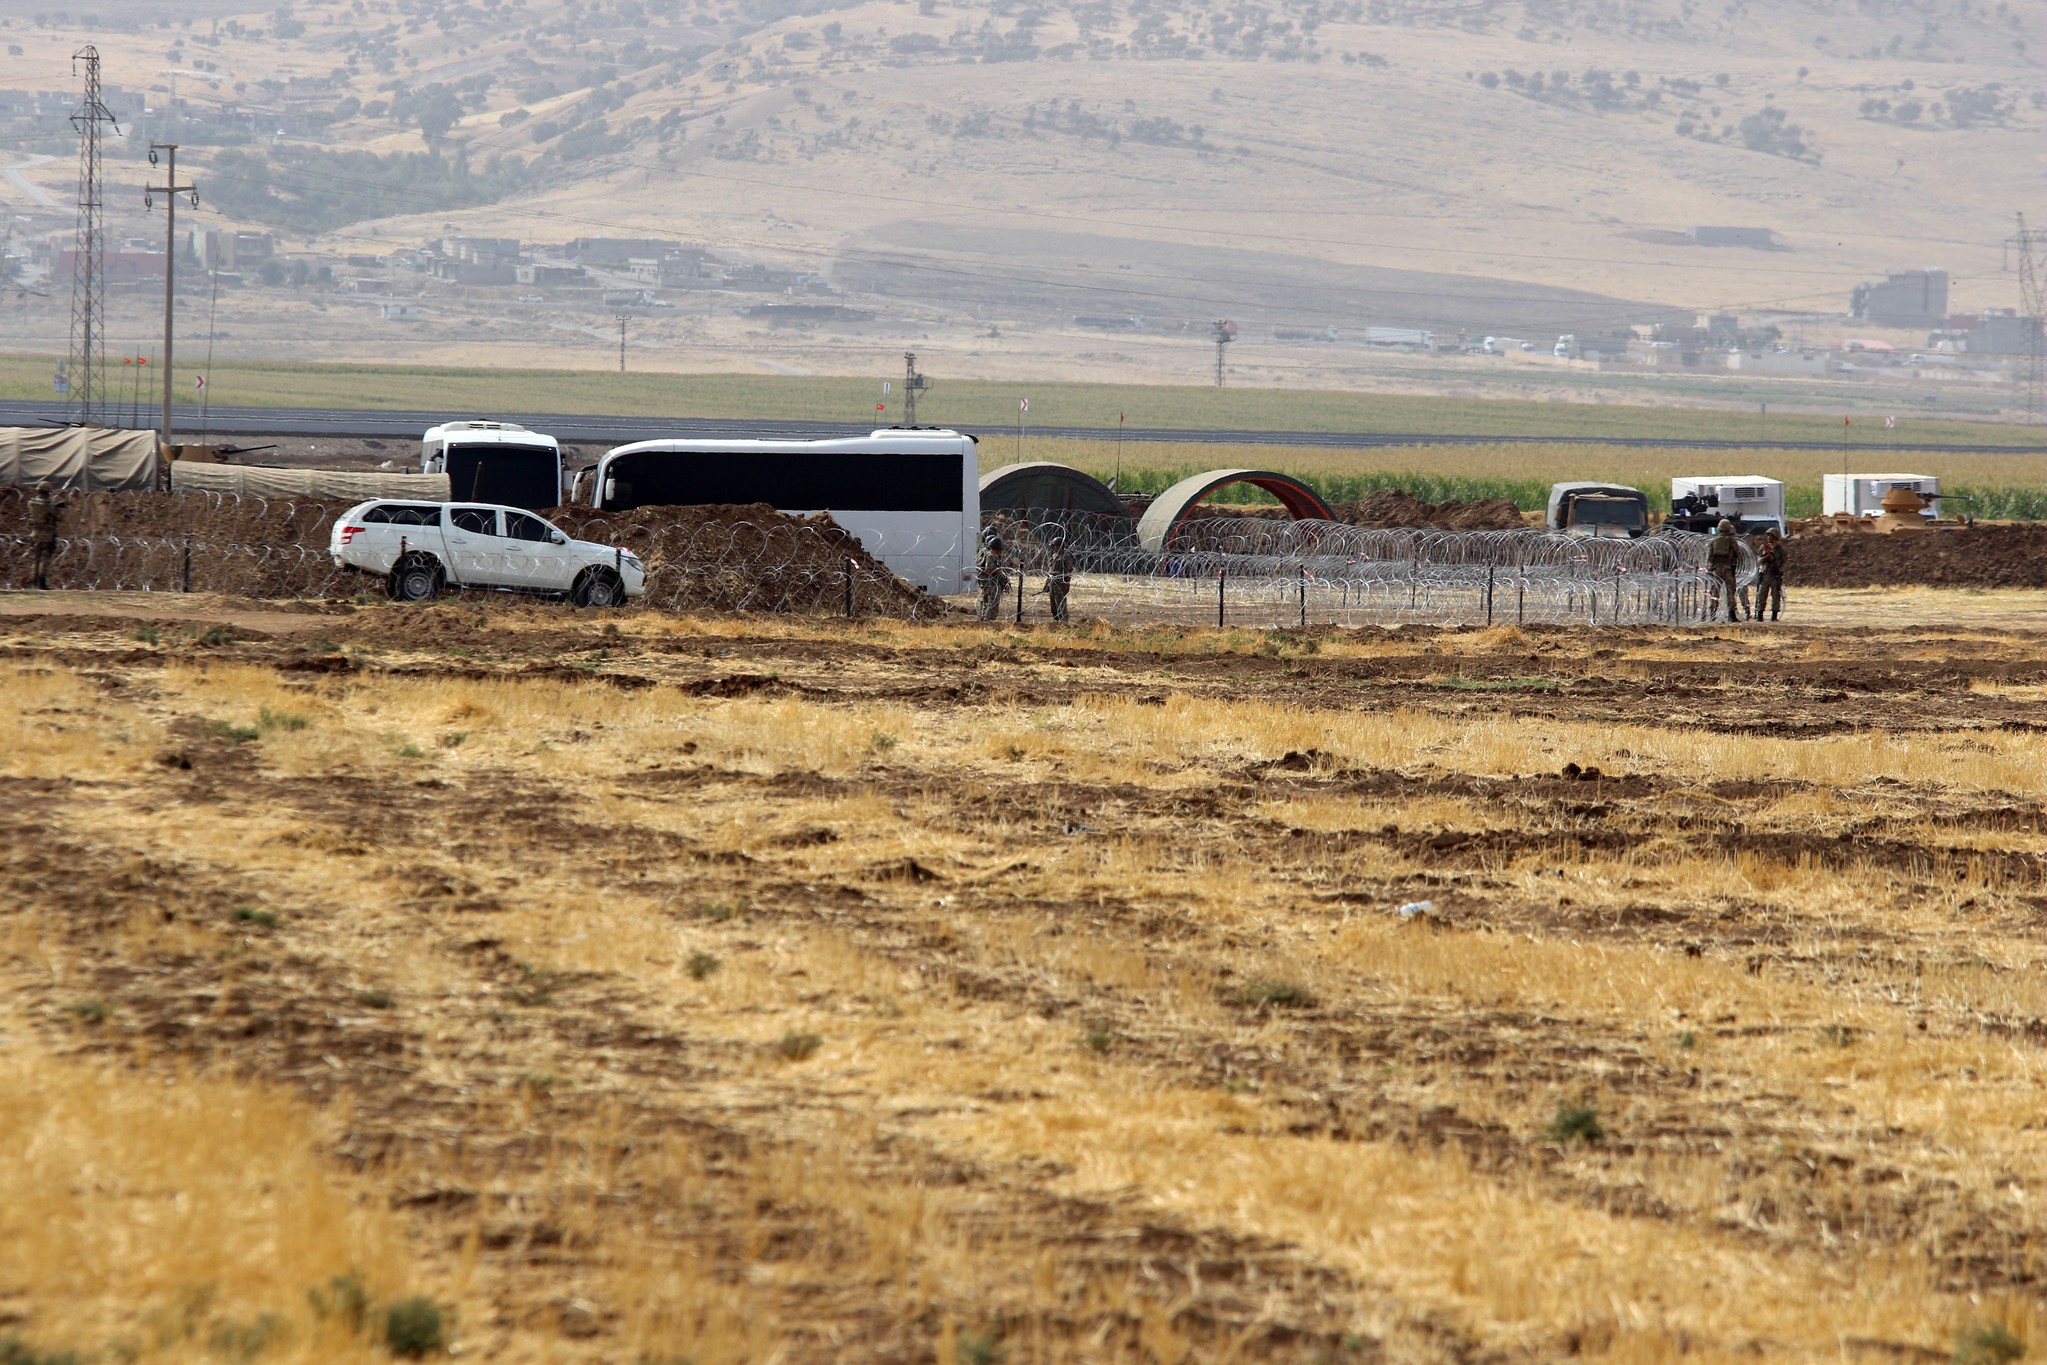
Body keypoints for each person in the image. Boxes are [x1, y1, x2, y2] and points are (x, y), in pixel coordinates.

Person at [26, 479, 62, 591]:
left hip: (35, 532)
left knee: (35, 558)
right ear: (47, 492)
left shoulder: (31, 502)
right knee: (44, 558)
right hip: (47, 534)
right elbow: (59, 517)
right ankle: (42, 582)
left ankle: (34, 581)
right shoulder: (48, 505)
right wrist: (57, 508)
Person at [1705, 517, 1741, 623]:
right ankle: (1731, 615)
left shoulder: (1714, 540)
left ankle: (1712, 613)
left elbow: (1709, 557)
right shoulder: (1731, 540)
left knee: (1714, 591)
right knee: (1730, 591)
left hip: (1716, 569)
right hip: (1728, 569)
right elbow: (1738, 553)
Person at [1754, 527, 1786, 621]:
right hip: (1765, 574)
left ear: (1775, 537)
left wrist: (1779, 571)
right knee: (1762, 596)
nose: (1769, 538)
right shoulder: (1763, 547)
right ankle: (1759, 615)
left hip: (1775, 576)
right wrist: (1766, 558)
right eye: (1768, 535)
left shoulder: (1780, 549)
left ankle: (1774, 616)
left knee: (1776, 596)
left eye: (1771, 536)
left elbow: (1784, 562)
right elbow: (1759, 560)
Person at [976, 533, 1006, 621]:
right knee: (993, 602)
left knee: (987, 601)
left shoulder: (987, 554)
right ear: (998, 548)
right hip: (991, 582)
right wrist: (999, 571)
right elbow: (988, 569)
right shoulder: (991, 555)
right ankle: (988, 620)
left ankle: (983, 618)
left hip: (988, 582)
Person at [1045, 534, 1074, 623]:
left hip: (1060, 583)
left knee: (1060, 603)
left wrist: (1067, 584)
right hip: (1052, 582)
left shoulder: (1066, 556)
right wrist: (1047, 584)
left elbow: (1069, 571)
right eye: (1054, 546)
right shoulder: (1054, 556)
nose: (1055, 548)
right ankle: (1057, 621)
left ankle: (1064, 621)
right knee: (1053, 604)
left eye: (1056, 546)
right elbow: (1050, 571)